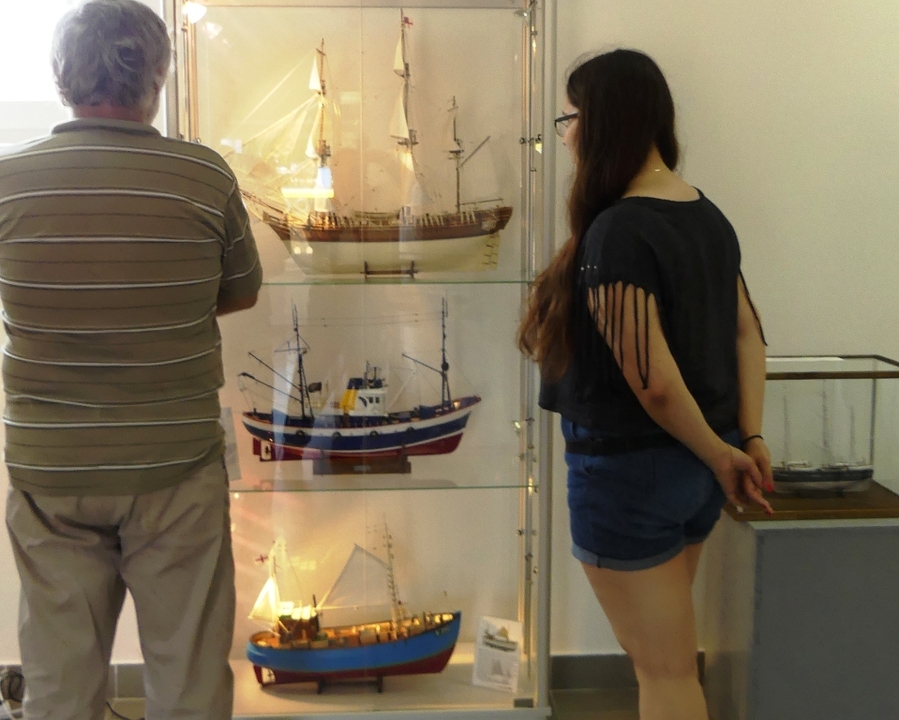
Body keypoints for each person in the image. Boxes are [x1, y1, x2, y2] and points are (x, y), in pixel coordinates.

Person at [0, 1, 262, 719]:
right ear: (157, 74)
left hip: (51, 468)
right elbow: (241, 292)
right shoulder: (203, 176)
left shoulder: (7, 180)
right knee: (189, 679)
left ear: (61, 77)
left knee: (58, 683)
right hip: (174, 462)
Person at [518, 49, 773, 720]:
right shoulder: (704, 214)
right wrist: (743, 439)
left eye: (570, 118)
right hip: (695, 468)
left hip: (630, 473)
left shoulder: (619, 230)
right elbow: (748, 335)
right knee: (669, 665)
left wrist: (724, 455)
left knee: (665, 675)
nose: (565, 135)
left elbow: (651, 382)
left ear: (602, 121)